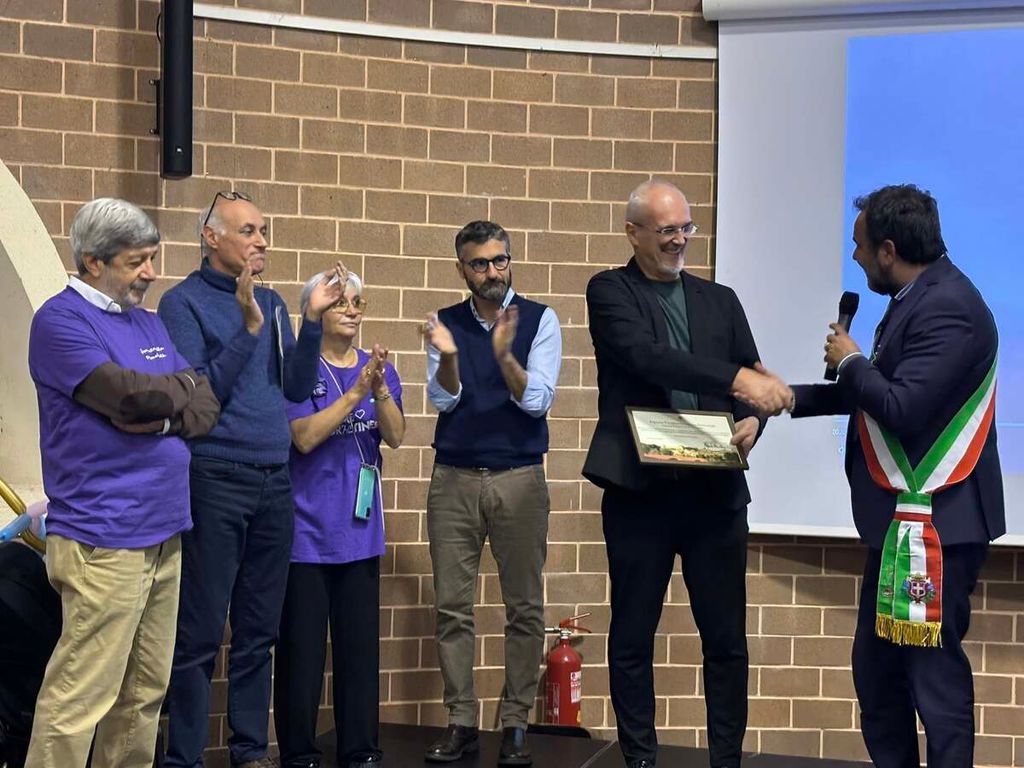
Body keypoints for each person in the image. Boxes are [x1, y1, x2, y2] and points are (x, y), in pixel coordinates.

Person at [787, 184, 1004, 768]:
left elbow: (901, 406)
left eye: (860, 246)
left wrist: (852, 360)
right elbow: (874, 395)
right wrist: (786, 398)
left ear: (888, 250)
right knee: (878, 674)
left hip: (938, 530)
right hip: (902, 531)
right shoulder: (916, 297)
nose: (854, 256)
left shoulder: (951, 307)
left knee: (933, 681)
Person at [583, 181, 790, 768]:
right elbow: (648, 357)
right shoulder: (610, 290)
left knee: (726, 640)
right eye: (667, 230)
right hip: (640, 494)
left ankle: (727, 759)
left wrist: (753, 420)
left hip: (714, 494)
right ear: (633, 233)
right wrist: (737, 381)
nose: (679, 241)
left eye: (686, 228)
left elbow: (755, 379)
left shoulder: (720, 300)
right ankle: (640, 759)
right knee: (632, 637)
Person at [24, 197, 220, 768]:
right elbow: (130, 397)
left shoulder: (148, 322)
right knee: (79, 697)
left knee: (143, 695)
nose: (151, 273)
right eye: (137, 261)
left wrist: (165, 411)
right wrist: (171, 394)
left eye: (152, 258)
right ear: (93, 261)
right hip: (102, 537)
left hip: (165, 532)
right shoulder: (60, 322)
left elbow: (205, 403)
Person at [158, 191, 344, 768]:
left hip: (273, 479)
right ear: (211, 237)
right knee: (199, 633)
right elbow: (199, 393)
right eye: (248, 231)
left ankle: (248, 752)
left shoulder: (273, 301)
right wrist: (246, 328)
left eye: (263, 231)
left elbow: (296, 387)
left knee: (259, 633)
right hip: (214, 477)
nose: (261, 241)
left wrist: (310, 321)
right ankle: (184, 758)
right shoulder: (181, 303)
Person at [420, 220, 562, 766]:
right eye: (479, 264)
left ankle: (515, 724)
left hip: (518, 477)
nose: (492, 272)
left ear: (510, 261)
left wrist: (504, 357)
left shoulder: (539, 319)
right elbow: (443, 400)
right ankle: (462, 721)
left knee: (524, 607)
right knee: (452, 608)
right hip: (453, 478)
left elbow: (537, 402)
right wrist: (450, 357)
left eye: (500, 260)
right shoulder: (446, 324)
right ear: (462, 269)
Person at [273, 268, 405, 768]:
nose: (351, 310)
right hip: (306, 535)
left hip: (361, 534)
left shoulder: (377, 369)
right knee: (303, 655)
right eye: (340, 302)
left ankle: (361, 750)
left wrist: (380, 389)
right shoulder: (298, 370)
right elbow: (304, 437)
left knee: (359, 653)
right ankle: (299, 752)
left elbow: (396, 436)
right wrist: (353, 396)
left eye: (357, 302)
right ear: (316, 311)